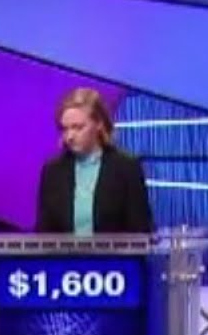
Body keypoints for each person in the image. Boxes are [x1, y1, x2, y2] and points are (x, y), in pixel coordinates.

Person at [34, 87, 154, 235]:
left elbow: (140, 229)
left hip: (114, 251)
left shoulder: (127, 167)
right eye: (65, 129)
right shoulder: (53, 171)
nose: (69, 136)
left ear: (99, 124)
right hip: (65, 252)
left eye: (78, 128)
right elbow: (44, 233)